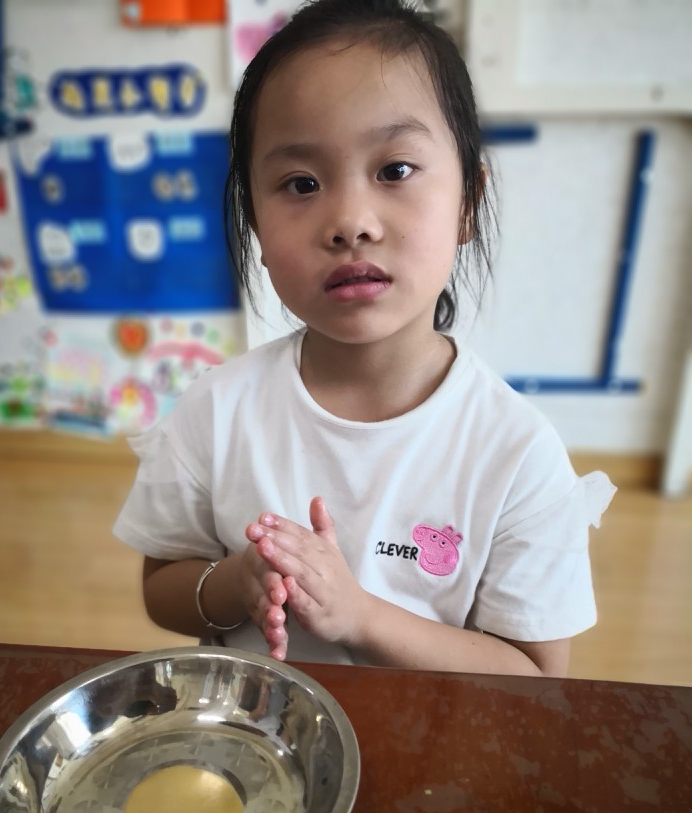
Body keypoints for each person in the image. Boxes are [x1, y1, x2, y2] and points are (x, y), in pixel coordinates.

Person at [114, 0, 615, 676]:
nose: (350, 221)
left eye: (394, 170)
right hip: (261, 730)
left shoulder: (518, 455)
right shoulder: (216, 410)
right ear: (255, 226)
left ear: (468, 202)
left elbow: (534, 674)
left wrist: (361, 616)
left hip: (431, 740)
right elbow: (162, 588)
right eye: (301, 183)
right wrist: (236, 582)